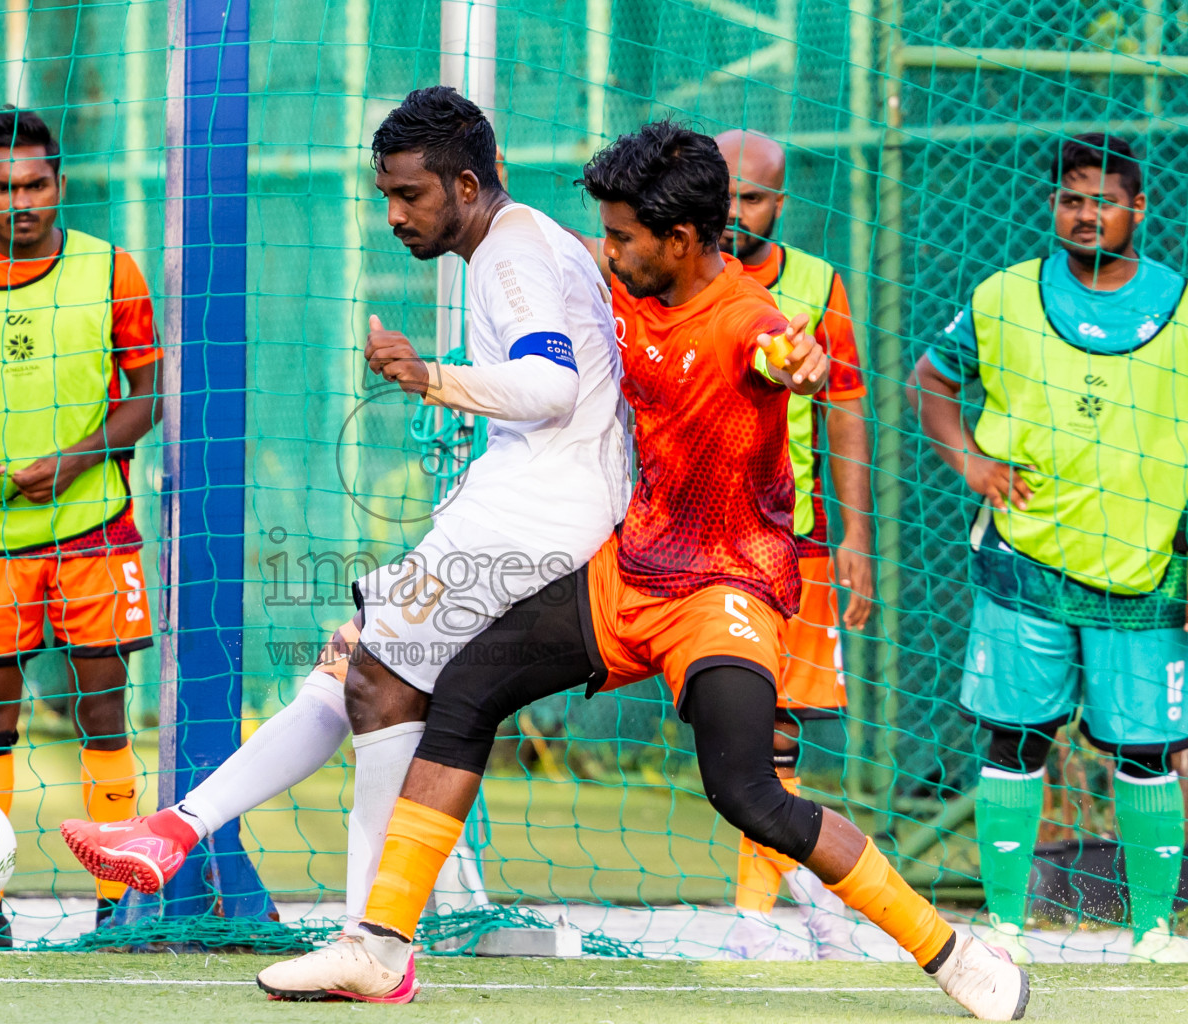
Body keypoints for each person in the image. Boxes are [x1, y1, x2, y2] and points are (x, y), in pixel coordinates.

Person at [253, 122, 1029, 1022]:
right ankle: (379, 949)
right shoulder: (629, 280)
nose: (608, 250)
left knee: (748, 793)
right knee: (462, 693)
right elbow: (550, 246)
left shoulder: (745, 320)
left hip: (722, 589)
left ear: (683, 240)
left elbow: (781, 352)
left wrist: (801, 362)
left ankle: (953, 953)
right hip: (626, 572)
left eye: (622, 237)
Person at [58, 86, 630, 931]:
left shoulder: (510, 254)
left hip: (532, 519)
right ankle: (181, 831)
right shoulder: (526, 239)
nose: (394, 215)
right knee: (350, 662)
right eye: (386, 194)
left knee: (375, 684)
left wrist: (429, 375)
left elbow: (551, 386)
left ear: (466, 186)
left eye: (410, 194)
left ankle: (370, 934)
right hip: (536, 511)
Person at [911, 133, 1188, 964]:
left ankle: (1152, 930)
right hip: (1023, 561)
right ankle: (1005, 926)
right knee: (1016, 739)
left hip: (1145, 570)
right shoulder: (1002, 296)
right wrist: (971, 462)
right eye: (1071, 199)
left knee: (1146, 750)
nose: (1085, 213)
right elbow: (931, 378)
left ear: (1139, 209)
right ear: (1052, 207)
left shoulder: (1179, 303)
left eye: (1104, 200)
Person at [0, 107, 162, 948]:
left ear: (60, 183)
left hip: (95, 531)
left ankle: (117, 907)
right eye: (3, 188)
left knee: (103, 712)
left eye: (37, 184)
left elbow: (148, 395)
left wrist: (80, 459)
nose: (23, 202)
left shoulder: (113, 271)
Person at [712, 128, 875, 960]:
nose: (735, 211)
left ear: (780, 202)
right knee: (732, 732)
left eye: (752, 197)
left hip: (792, 543)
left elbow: (844, 408)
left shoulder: (818, 283)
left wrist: (857, 536)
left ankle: (757, 915)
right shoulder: (675, 276)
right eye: (724, 193)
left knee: (773, 734)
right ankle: (815, 896)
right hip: (695, 545)